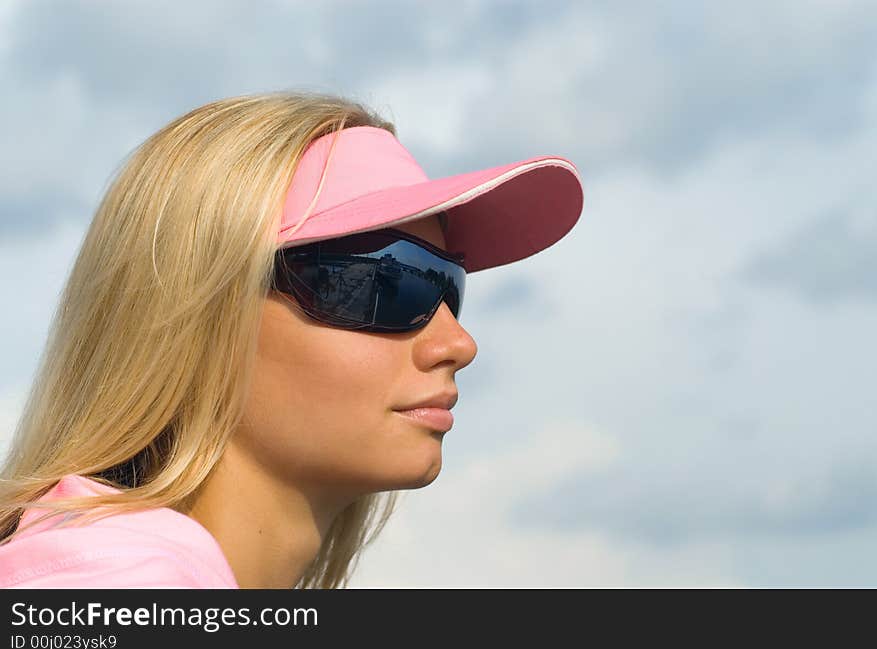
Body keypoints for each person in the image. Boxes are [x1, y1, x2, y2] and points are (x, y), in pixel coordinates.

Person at [0, 91, 584, 588]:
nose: (457, 343)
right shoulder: (111, 577)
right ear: (197, 312)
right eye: (383, 281)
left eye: (447, 285)